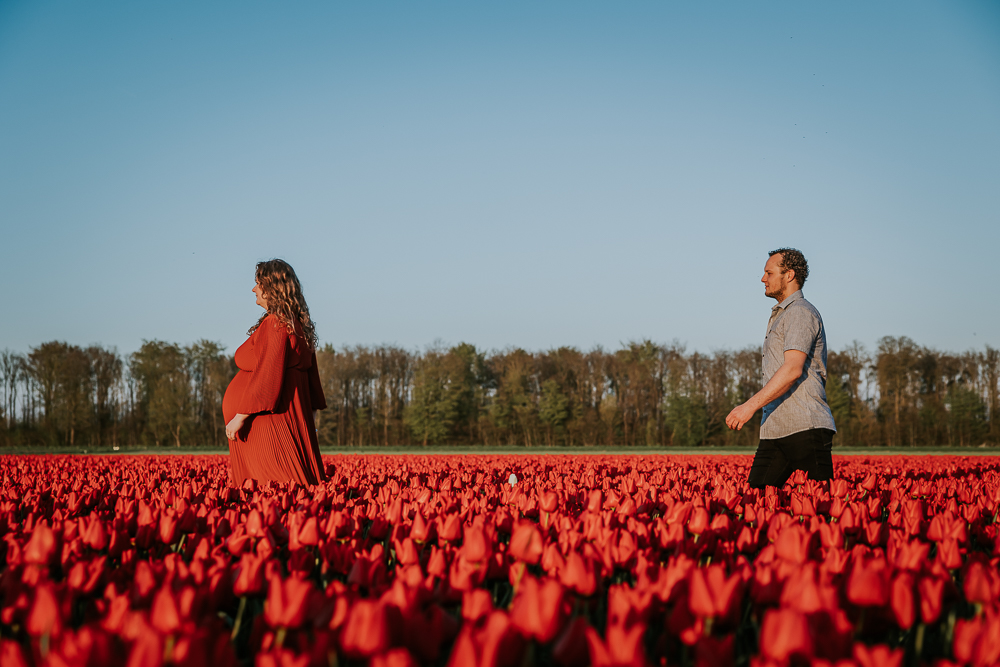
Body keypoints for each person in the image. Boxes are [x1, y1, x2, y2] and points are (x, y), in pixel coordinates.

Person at [725, 248, 836, 488]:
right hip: (775, 428)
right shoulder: (782, 315)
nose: (763, 279)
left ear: (789, 275)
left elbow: (793, 369)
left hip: (806, 427)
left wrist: (749, 407)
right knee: (753, 502)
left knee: (822, 506)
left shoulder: (800, 313)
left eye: (769, 272)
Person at [223, 259, 327, 486]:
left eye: (258, 283)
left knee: (273, 487)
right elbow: (309, 378)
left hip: (265, 424)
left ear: (272, 288)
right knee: (287, 488)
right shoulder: (296, 325)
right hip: (283, 418)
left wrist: (239, 418)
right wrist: (310, 417)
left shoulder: (275, 324)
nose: (254, 289)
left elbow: (267, 377)